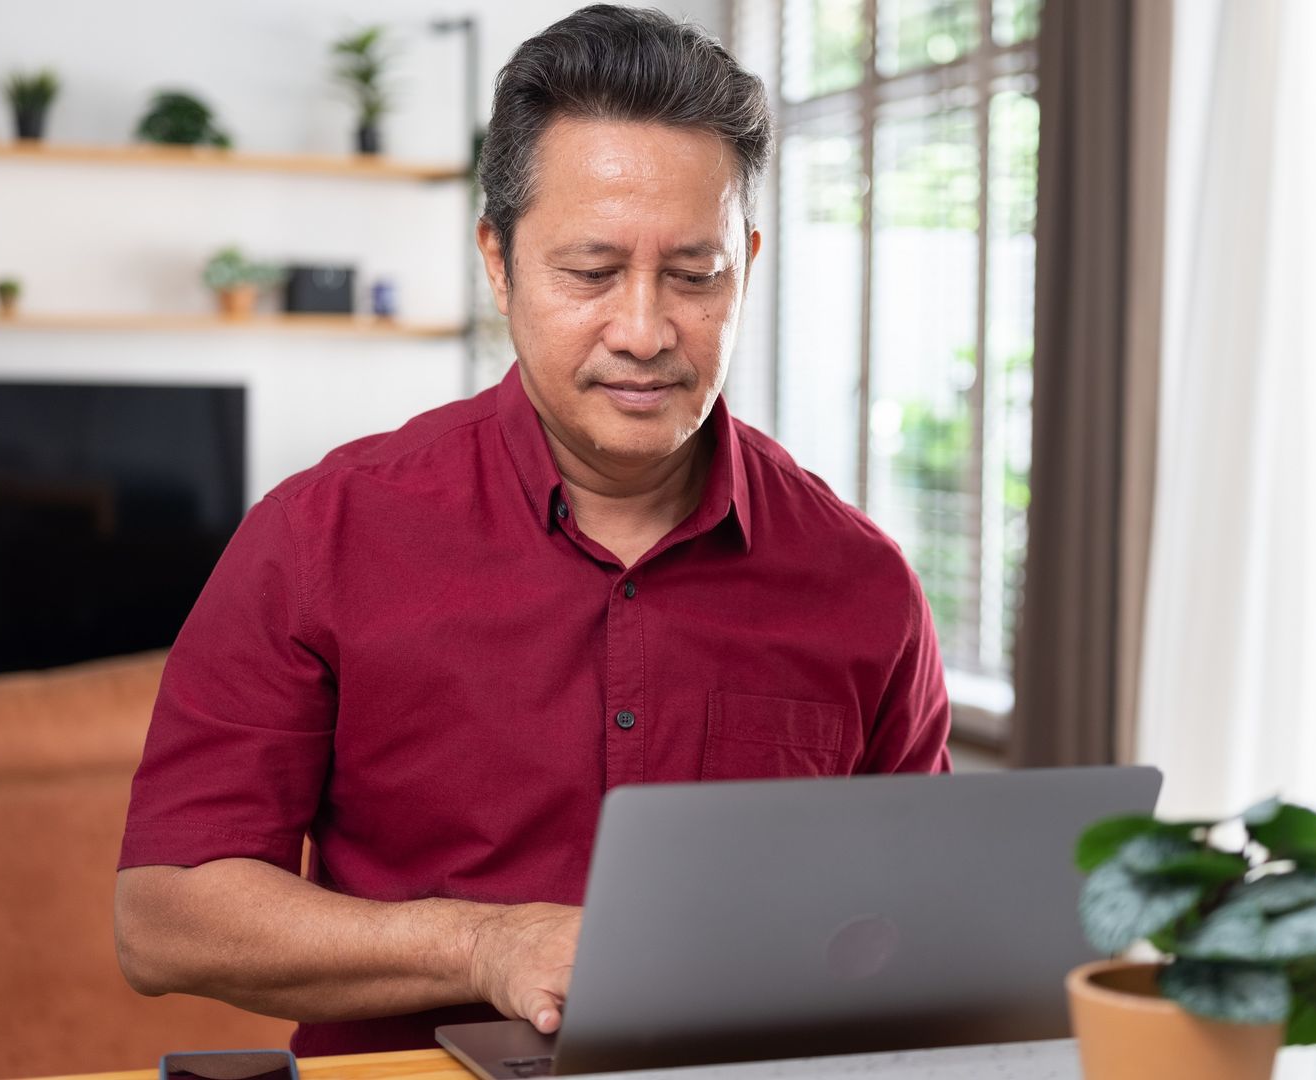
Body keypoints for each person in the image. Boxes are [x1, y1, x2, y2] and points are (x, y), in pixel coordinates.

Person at [112, 4, 951, 1058]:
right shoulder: (319, 535)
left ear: (746, 258)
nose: (644, 331)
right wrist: (484, 946)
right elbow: (163, 919)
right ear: (498, 263)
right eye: (591, 273)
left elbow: (914, 932)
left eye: (694, 275)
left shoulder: (863, 585)